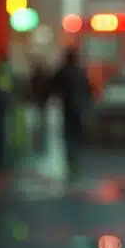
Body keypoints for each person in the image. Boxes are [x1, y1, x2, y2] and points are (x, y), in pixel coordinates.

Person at [49, 46, 93, 179]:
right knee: (76, 134)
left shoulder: (63, 71)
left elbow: (52, 86)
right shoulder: (80, 72)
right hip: (79, 109)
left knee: (68, 134)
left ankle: (71, 160)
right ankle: (74, 160)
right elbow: (89, 90)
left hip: (68, 108)